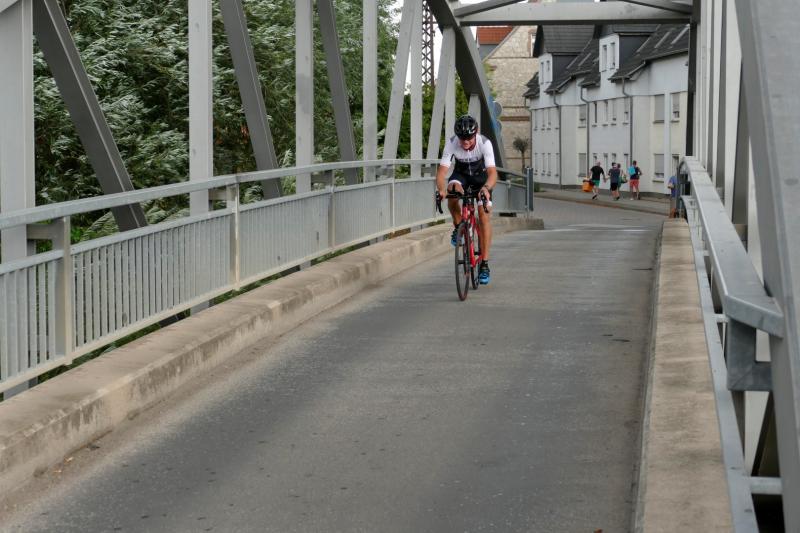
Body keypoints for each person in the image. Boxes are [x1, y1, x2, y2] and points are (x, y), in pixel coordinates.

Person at [436, 114, 497, 285]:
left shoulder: (485, 143)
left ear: (475, 133)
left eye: (469, 138)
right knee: (452, 191)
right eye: (462, 138)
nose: (465, 142)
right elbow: (441, 172)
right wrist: (441, 189)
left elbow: (492, 173)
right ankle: (459, 227)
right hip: (461, 176)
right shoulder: (452, 143)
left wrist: (486, 188)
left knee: (483, 215)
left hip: (481, 180)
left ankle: (484, 264)